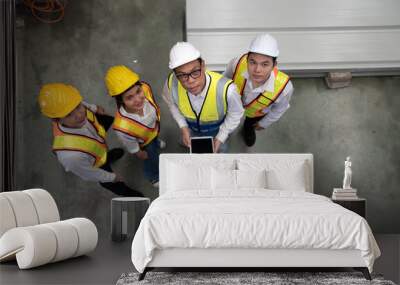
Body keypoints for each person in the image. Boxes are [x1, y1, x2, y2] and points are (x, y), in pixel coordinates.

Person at [38, 83, 143, 197]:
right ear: (56, 120)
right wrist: (112, 177)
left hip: (97, 146)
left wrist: (93, 108)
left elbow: (79, 104)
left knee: (105, 131)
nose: (80, 114)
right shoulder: (70, 156)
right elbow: (89, 173)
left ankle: (108, 156)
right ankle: (131, 195)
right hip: (96, 165)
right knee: (116, 185)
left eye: (78, 106)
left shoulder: (74, 107)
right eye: (69, 115)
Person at [162, 42, 244, 153]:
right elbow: (172, 105)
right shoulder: (171, 84)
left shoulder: (228, 90)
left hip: (218, 130)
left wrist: (221, 137)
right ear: (176, 74)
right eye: (182, 75)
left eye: (195, 72)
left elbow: (235, 114)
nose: (190, 81)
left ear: (203, 65)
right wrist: (184, 127)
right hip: (192, 129)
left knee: (221, 151)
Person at [223, 34, 294, 147]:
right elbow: (224, 81)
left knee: (250, 124)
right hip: (232, 105)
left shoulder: (284, 88)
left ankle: (248, 129)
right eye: (253, 62)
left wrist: (264, 123)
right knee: (227, 121)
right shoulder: (237, 63)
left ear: (274, 65)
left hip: (255, 114)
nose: (257, 70)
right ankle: (226, 131)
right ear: (247, 59)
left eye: (265, 64)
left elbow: (279, 110)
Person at [104, 65, 165, 188]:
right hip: (144, 143)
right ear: (121, 101)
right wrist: (138, 152)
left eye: (138, 91)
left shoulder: (145, 89)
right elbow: (130, 142)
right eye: (129, 98)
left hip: (153, 131)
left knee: (154, 139)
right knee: (151, 158)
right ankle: (153, 176)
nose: (138, 99)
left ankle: (156, 141)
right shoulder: (122, 126)